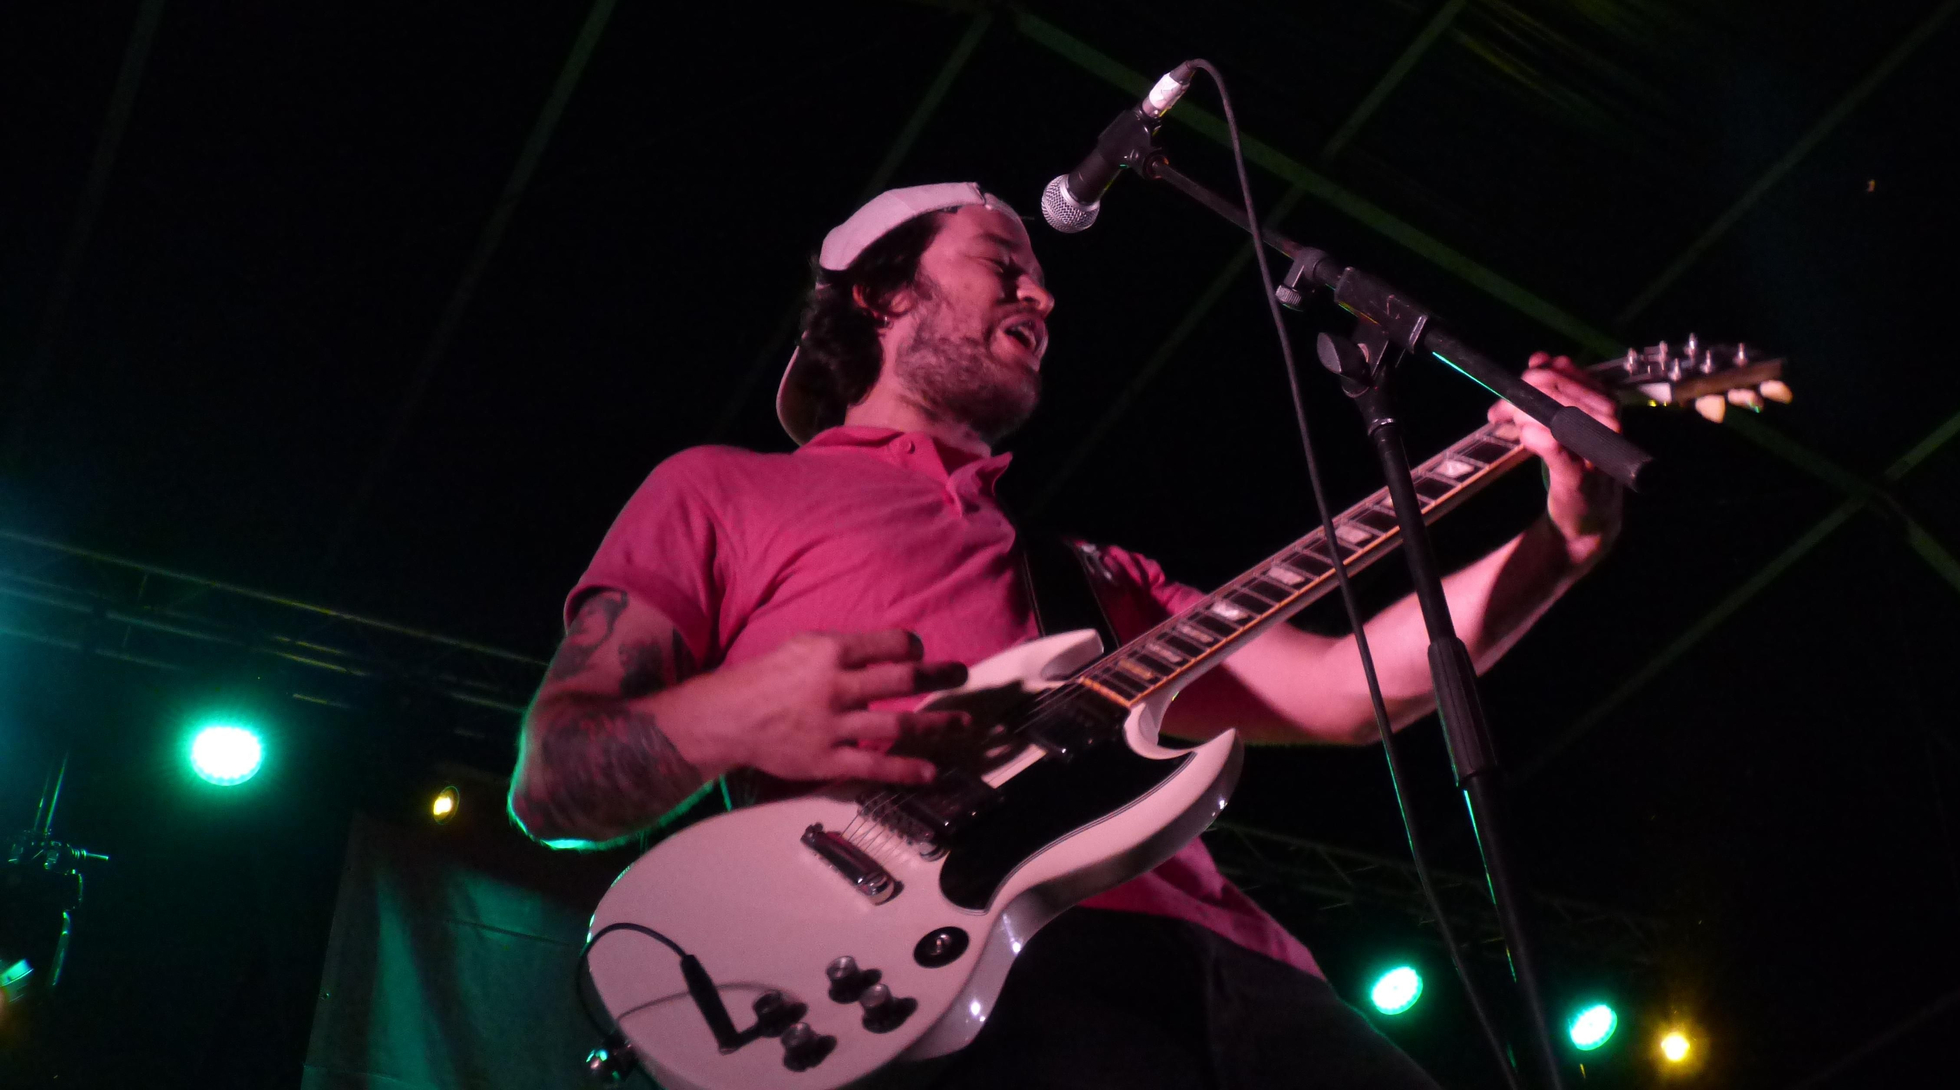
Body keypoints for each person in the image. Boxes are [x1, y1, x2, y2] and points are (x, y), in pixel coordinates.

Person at [508, 182, 1622, 1088]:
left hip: (1252, 980)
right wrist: (729, 715)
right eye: (1003, 262)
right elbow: (556, 780)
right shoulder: (720, 492)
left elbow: (1343, 687)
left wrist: (1562, 540)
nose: (1042, 291)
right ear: (883, 294)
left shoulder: (1087, 574)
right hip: (982, 985)